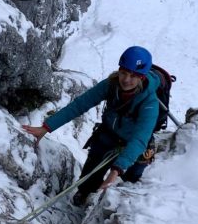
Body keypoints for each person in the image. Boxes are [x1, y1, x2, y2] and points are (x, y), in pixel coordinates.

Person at [23, 46, 159, 206]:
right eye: (124, 73)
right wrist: (46, 127)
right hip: (109, 135)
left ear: (142, 78)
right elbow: (80, 105)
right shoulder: (111, 85)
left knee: (130, 181)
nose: (126, 80)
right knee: (89, 175)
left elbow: (139, 139)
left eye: (133, 76)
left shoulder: (149, 103)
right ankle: (84, 195)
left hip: (135, 144)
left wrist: (116, 170)